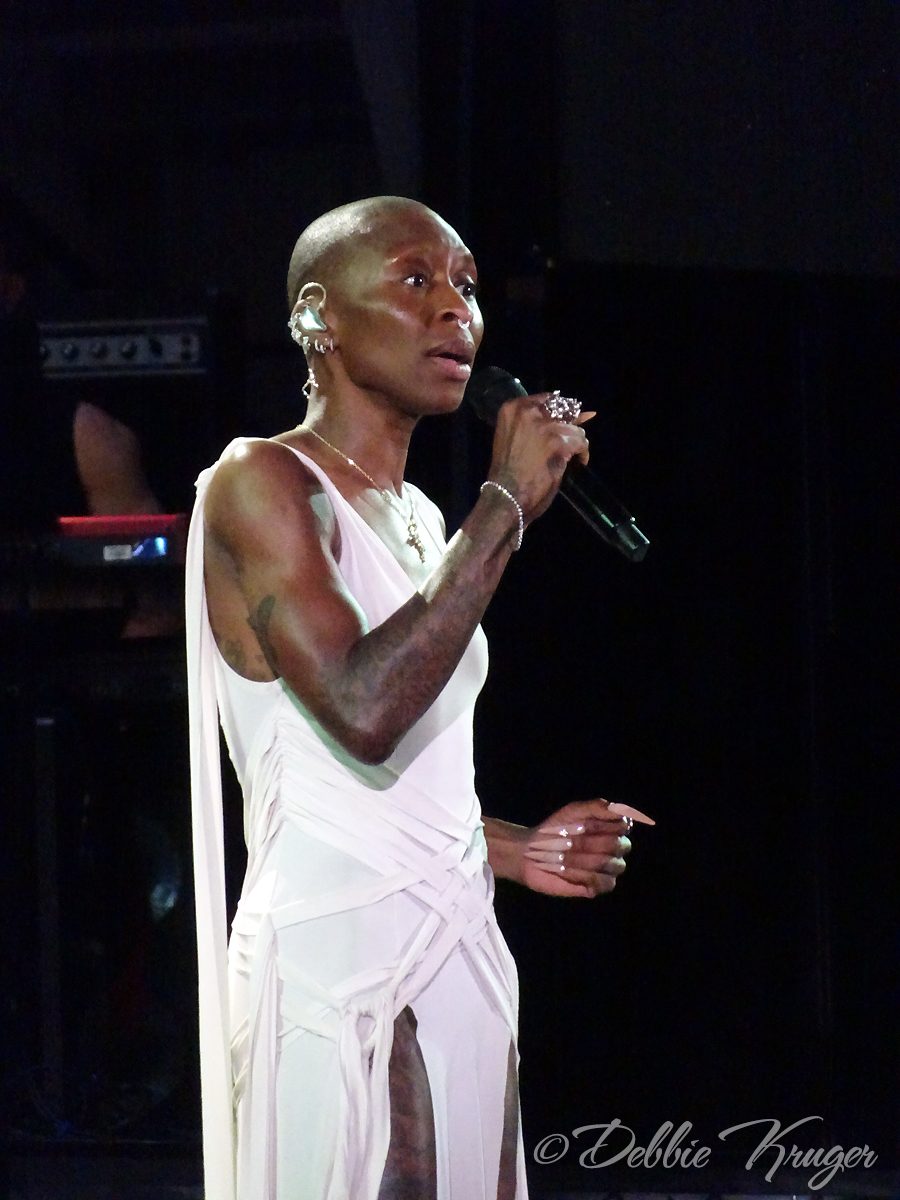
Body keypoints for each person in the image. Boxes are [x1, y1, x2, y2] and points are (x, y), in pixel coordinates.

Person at [187, 196, 648, 1200]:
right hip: (339, 960)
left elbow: (381, 782)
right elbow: (363, 711)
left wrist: (514, 848)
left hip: (455, 941)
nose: (455, 309)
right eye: (416, 279)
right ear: (318, 317)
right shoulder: (260, 481)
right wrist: (505, 504)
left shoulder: (426, 519)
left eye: (468, 286)